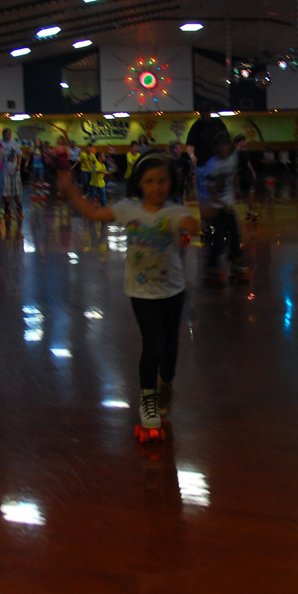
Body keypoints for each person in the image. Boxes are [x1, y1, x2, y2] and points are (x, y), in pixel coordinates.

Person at [56, 152, 200, 432]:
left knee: (171, 346)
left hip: (172, 290)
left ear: (171, 183)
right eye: (150, 181)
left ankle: (166, 386)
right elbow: (95, 213)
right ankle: (148, 399)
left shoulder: (174, 212)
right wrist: (71, 192)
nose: (157, 187)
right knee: (153, 344)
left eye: (162, 181)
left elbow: (189, 224)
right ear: (139, 184)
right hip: (141, 291)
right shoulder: (128, 210)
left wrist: (196, 226)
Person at [196, 131, 246, 285]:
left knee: (235, 235)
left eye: (226, 146)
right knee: (218, 238)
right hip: (214, 205)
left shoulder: (233, 158)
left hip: (227, 203)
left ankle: (235, 262)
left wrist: (236, 190)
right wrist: (224, 205)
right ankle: (211, 266)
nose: (224, 149)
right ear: (217, 148)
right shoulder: (212, 165)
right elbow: (210, 191)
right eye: (221, 146)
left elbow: (233, 176)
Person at [0, 128, 23, 218]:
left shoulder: (14, 143)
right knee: (6, 191)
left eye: (10, 133)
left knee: (17, 190)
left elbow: (19, 154)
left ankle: (19, 207)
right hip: (4, 170)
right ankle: (7, 208)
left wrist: (19, 164)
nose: (9, 135)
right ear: (4, 134)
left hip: (15, 170)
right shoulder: (0, 143)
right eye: (8, 133)